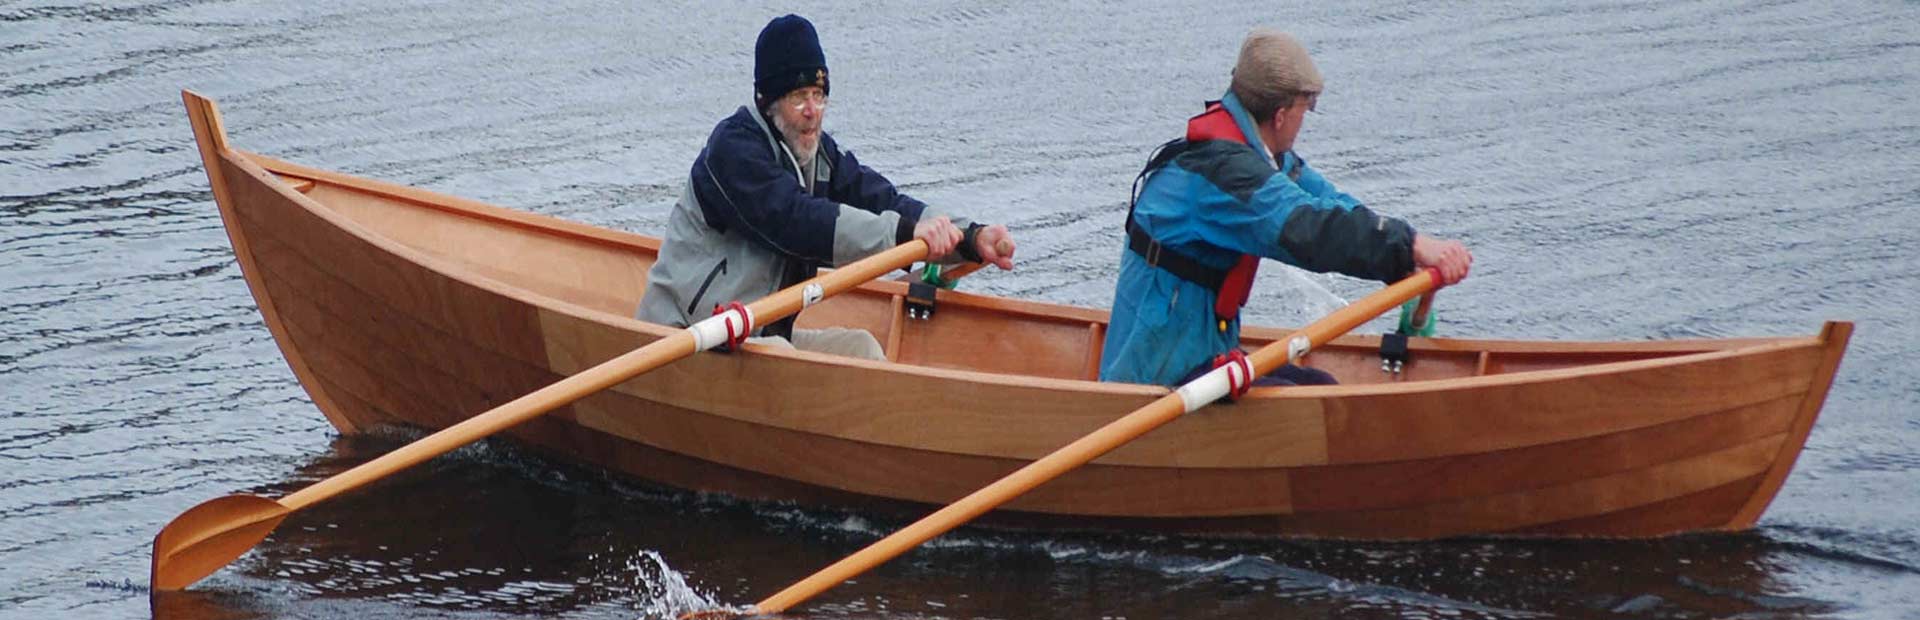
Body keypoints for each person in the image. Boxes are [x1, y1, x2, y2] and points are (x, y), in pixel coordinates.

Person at [1099, 28, 1472, 387]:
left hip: (1202, 356)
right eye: (1306, 108)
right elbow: (1306, 228)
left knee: (1318, 384)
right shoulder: (1224, 177)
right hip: (1155, 375)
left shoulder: (1261, 157)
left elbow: (1330, 206)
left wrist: (1408, 252)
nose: (1304, 120)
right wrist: (1406, 246)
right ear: (1281, 114)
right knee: (1316, 400)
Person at [638, 14, 1015, 358]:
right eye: (798, 97)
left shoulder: (818, 155)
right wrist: (905, 235)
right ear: (767, 102)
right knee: (780, 357)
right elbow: (798, 222)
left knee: (862, 349)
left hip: (755, 337)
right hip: (684, 335)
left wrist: (965, 237)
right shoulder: (733, 151)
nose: (812, 111)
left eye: (819, 96)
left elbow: (880, 199)